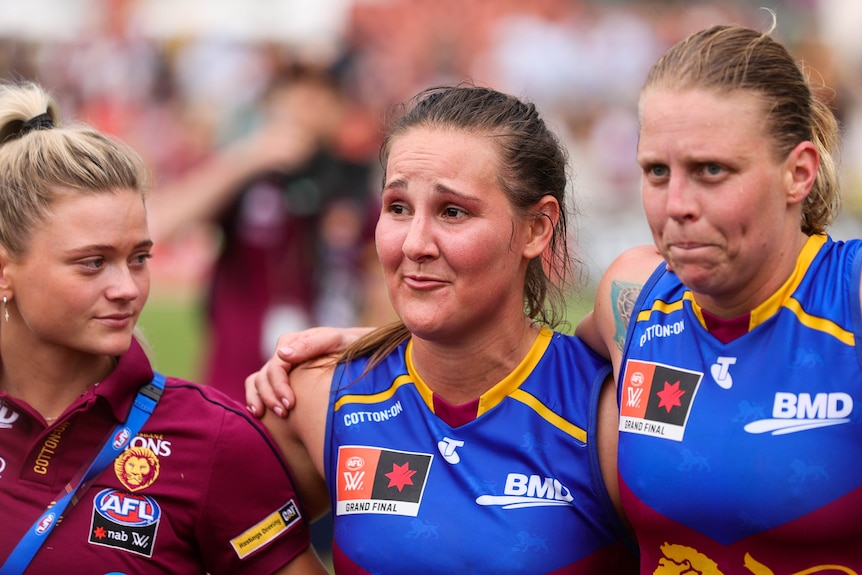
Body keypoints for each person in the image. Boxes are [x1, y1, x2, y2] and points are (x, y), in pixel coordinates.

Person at [247, 21, 862, 574]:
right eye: (655, 172)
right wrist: (393, 342)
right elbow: (521, 359)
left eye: (711, 171)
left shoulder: (848, 294)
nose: (677, 205)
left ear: (799, 171)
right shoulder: (637, 298)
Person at [252, 84, 639, 573]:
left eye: (453, 212)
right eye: (397, 208)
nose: (414, 243)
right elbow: (238, 540)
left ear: (537, 228)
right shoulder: (316, 398)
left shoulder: (607, 414)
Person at [0, 81, 327, 574]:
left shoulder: (214, 439)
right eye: (93, 263)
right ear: (4, 272)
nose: (127, 288)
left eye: (139, 258)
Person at [148, 64, 391, 405]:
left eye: (321, 97)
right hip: (234, 391)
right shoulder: (245, 179)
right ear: (274, 103)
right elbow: (162, 225)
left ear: (340, 109)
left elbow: (379, 285)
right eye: (296, 95)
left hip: (319, 392)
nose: (307, 108)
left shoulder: (352, 191)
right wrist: (247, 159)